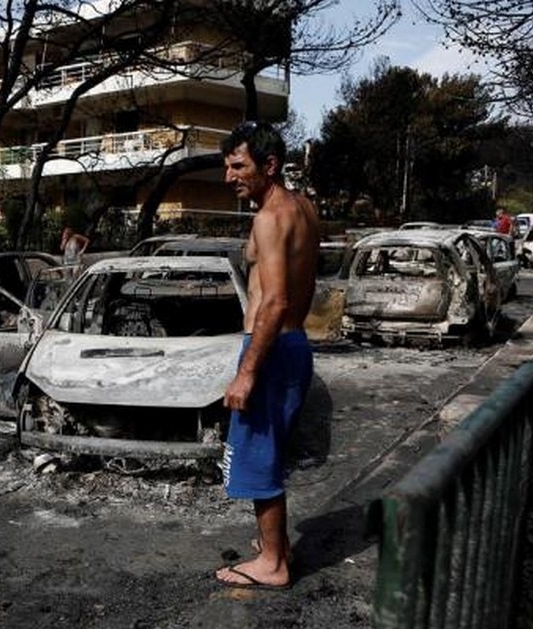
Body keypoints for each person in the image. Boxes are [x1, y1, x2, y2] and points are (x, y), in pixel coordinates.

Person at [214, 121, 319, 591]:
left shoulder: (269, 218)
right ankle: (274, 546)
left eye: (239, 166)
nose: (229, 177)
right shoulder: (304, 209)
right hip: (294, 345)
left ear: (269, 165)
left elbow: (274, 301)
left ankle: (273, 563)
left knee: (257, 457)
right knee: (271, 453)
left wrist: (247, 373)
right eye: (227, 166)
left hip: (272, 347)